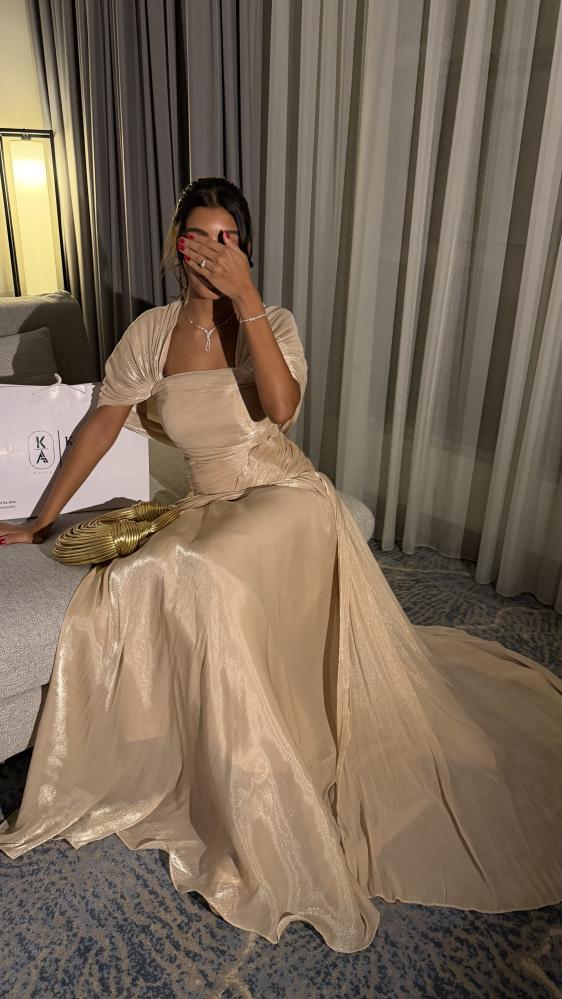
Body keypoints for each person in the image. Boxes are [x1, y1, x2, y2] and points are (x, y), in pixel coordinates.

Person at [0, 177, 560, 955]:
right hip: (210, 503)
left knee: (203, 568)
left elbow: (283, 406)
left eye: (227, 239)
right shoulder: (151, 334)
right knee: (133, 579)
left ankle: (260, 785)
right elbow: (101, 424)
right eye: (197, 238)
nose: (210, 253)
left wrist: (249, 301)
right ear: (175, 246)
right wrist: (40, 517)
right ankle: (180, 764)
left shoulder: (274, 319)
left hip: (285, 496)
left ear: (246, 249)